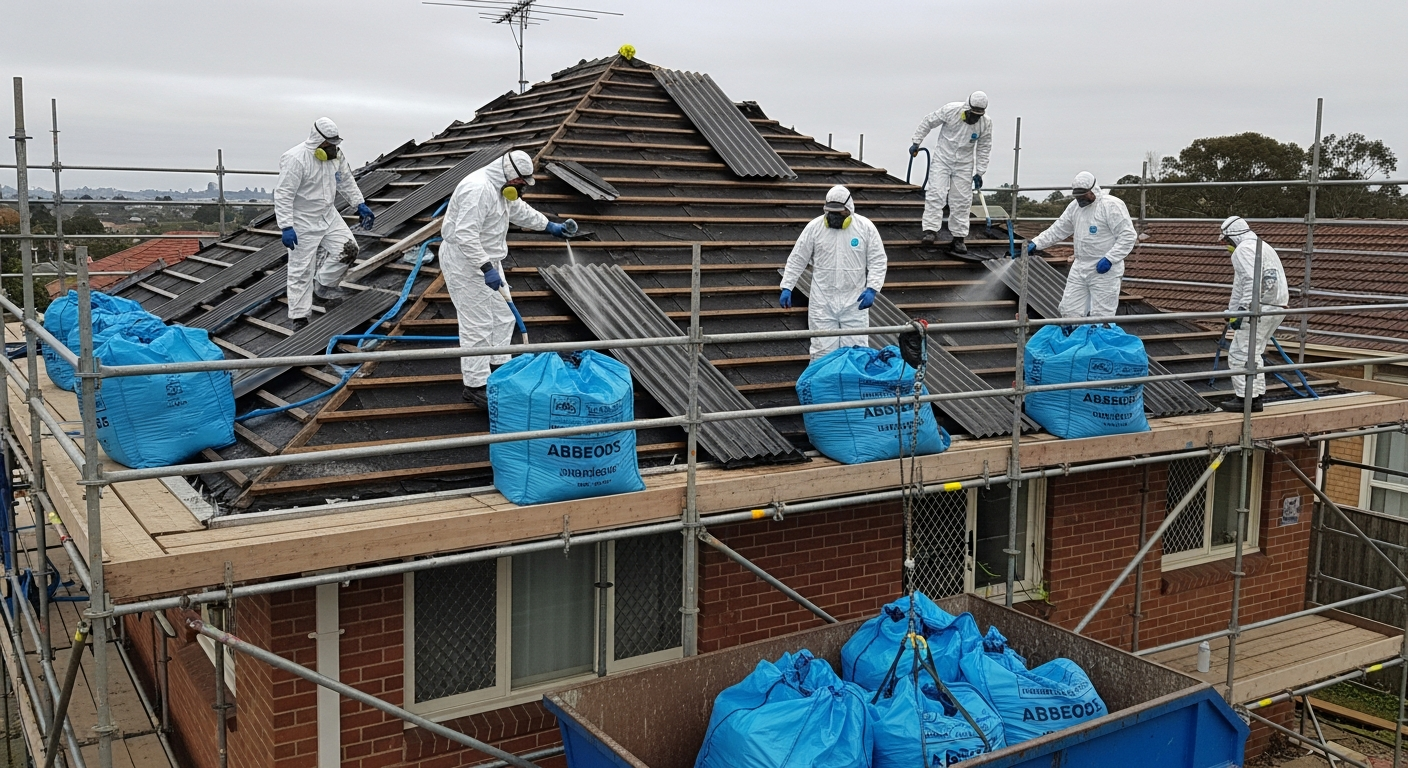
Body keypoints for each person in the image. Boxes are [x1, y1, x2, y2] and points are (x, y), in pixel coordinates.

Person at [440, 149, 576, 407]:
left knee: (503, 315)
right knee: (477, 323)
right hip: (465, 260)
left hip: (488, 260)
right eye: (520, 184)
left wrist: (549, 226)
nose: (521, 189)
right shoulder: (477, 189)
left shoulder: (503, 188)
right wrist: (484, 267)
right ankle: (475, 384)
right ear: (509, 175)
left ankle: (498, 365)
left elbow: (519, 210)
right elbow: (465, 235)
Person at [274, 118, 375, 330]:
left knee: (348, 249)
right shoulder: (295, 159)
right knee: (301, 269)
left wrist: (359, 204)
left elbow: (346, 179)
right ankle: (299, 317)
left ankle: (323, 286)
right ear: (316, 140)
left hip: (328, 214)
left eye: (334, 143)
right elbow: (283, 194)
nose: (332, 148)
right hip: (302, 219)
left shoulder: (335, 155)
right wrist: (286, 226)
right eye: (328, 144)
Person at [779, 185, 888, 359]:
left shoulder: (865, 228)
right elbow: (798, 258)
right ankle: (823, 387)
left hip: (855, 303)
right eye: (832, 212)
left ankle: (849, 386)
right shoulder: (815, 228)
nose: (835, 216)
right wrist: (787, 286)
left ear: (849, 208)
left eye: (839, 212)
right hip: (823, 303)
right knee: (822, 353)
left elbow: (878, 259)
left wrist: (872, 288)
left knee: (856, 353)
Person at [1025, 172, 1136, 325]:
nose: (1080, 200)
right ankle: (1075, 344)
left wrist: (1110, 259)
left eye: (1083, 196)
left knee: (1102, 315)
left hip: (1104, 268)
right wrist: (1036, 243)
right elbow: (1058, 229)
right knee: (1069, 310)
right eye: (1077, 197)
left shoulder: (1111, 206)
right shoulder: (1075, 208)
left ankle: (1098, 346)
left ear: (1093, 190)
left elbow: (1128, 236)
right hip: (1080, 265)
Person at [1217, 215, 1288, 413]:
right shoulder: (1261, 246)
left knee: (1240, 353)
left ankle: (1244, 399)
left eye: (1226, 241)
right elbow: (1240, 285)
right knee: (1253, 352)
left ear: (1233, 236)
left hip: (1261, 307)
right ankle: (1256, 397)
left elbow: (1251, 282)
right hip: (1276, 305)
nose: (1225, 246)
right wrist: (1232, 310)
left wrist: (1243, 311)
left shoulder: (1243, 250)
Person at [909, 91, 992, 255]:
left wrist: (980, 172)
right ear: (967, 108)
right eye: (972, 114)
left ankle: (959, 238)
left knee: (961, 200)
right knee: (936, 193)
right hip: (943, 158)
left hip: (964, 163)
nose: (974, 119)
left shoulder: (985, 123)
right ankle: (930, 231)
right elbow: (928, 121)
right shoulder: (951, 110)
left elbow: (984, 146)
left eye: (977, 116)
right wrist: (916, 141)